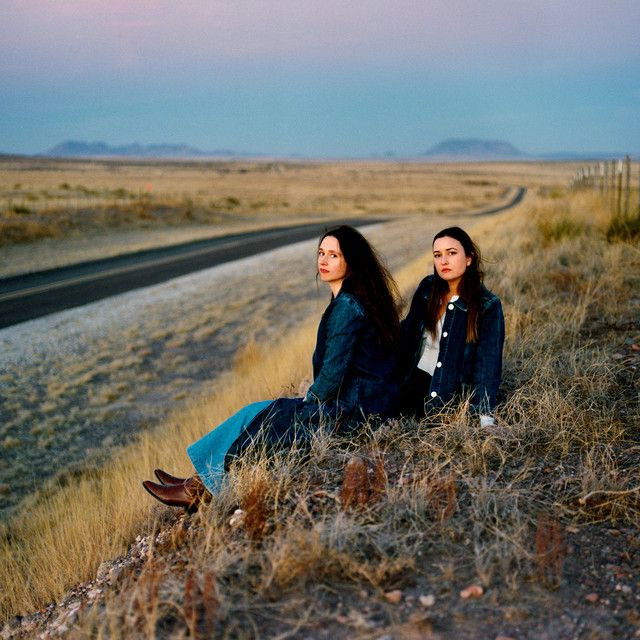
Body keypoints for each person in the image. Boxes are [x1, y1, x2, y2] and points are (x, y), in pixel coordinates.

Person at [143, 225, 401, 510]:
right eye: (321, 253)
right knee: (253, 412)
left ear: (351, 262)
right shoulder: (349, 300)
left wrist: (309, 402)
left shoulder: (347, 307)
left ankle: (198, 490)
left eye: (334, 255)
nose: (324, 261)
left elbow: (332, 375)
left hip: (351, 412)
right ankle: (196, 481)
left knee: (266, 422)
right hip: (352, 403)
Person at [400, 226, 504, 425]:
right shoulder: (427, 289)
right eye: (437, 255)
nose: (443, 261)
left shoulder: (487, 305)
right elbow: (407, 333)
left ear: (469, 258)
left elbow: (488, 365)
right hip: (409, 389)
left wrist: (485, 419)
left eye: (452, 253)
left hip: (447, 399)